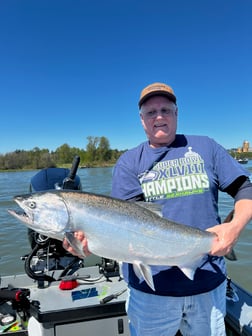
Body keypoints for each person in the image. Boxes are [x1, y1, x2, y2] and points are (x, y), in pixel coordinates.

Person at [63, 82, 252, 336]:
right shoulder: (129, 162)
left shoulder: (207, 147)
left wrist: (234, 227)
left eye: (165, 109)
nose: (159, 117)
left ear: (176, 114)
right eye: (151, 112)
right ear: (142, 120)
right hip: (150, 293)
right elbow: (125, 224)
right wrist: (89, 242)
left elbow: (245, 189)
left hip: (208, 283)